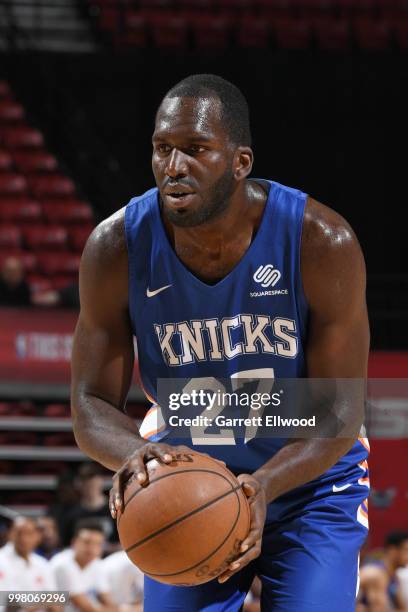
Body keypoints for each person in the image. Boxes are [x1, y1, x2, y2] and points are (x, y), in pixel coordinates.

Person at [71, 74, 370, 611]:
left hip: (308, 484)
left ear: (240, 162)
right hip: (189, 482)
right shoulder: (116, 248)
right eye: (162, 149)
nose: (174, 166)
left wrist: (260, 488)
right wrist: (139, 455)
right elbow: (90, 404)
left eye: (195, 149)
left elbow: (340, 412)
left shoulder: (320, 242)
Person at [50, 519, 117, 612]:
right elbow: (86, 608)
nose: (91, 548)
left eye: (97, 544)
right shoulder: (62, 564)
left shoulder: (97, 564)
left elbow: (107, 600)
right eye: (87, 542)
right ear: (74, 542)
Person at [61, 463, 118, 547]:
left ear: (101, 481)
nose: (89, 484)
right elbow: (67, 545)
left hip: (111, 557)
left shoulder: (114, 508)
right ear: (79, 484)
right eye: (85, 480)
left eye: (92, 479)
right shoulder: (71, 513)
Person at [0, 517, 56, 598]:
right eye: (19, 533)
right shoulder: (1, 560)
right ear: (10, 534)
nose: (24, 539)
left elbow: (56, 600)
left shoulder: (42, 563)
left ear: (38, 537)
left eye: (29, 534)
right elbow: (5, 601)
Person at [357, 531, 408, 610]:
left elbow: (403, 609)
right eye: (406, 550)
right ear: (393, 550)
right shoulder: (375, 574)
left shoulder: (393, 577)